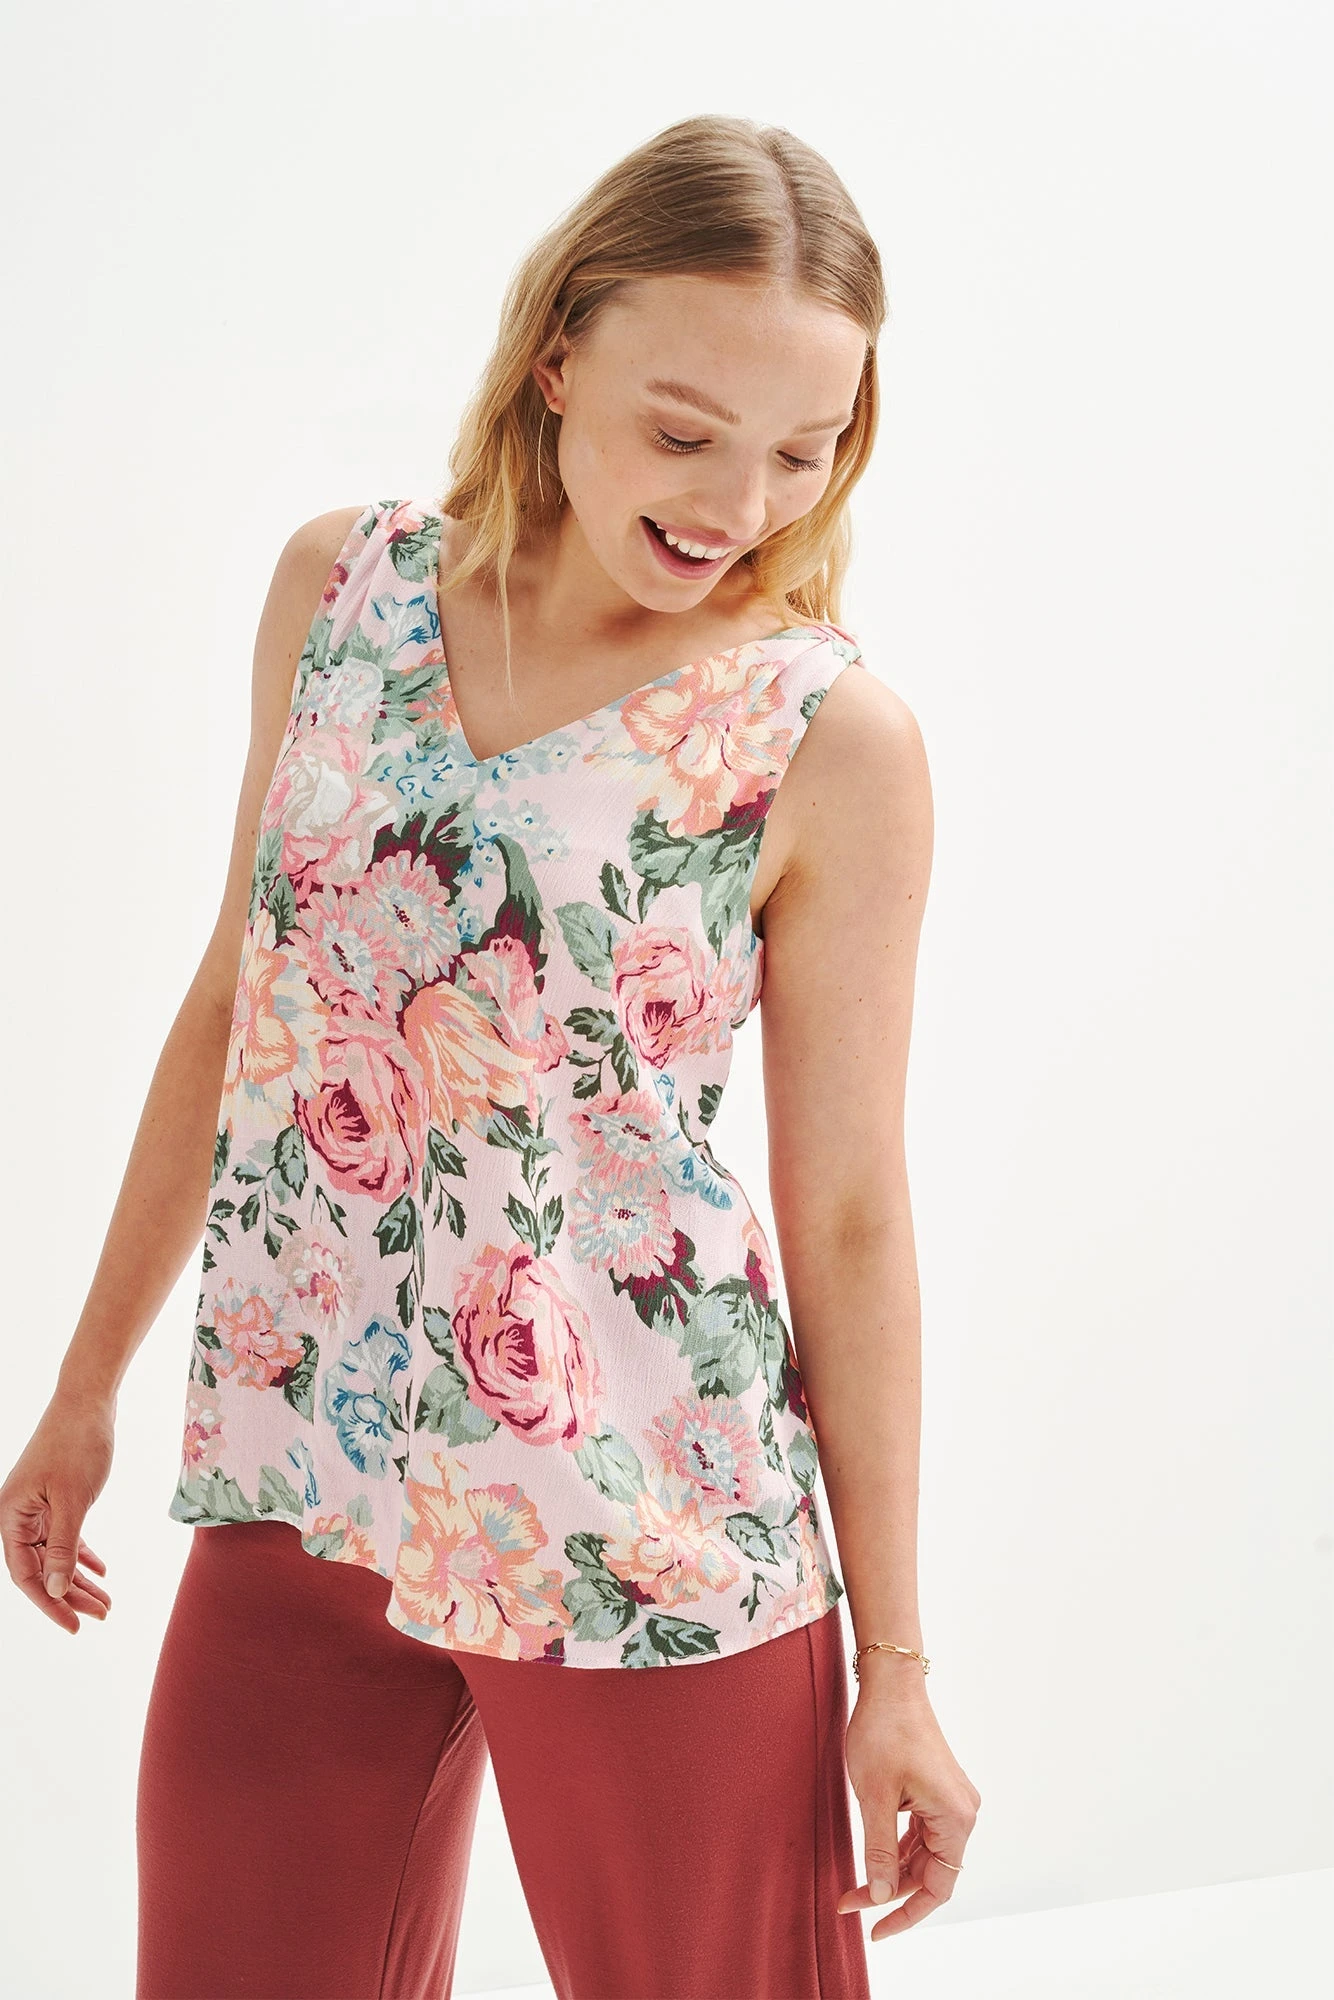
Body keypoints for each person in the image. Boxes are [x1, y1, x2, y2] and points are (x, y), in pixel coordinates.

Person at [0, 113, 980, 1999]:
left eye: (802, 449)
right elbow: (237, 1001)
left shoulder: (824, 738)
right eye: (682, 431)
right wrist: (83, 1383)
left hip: (646, 1524)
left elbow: (849, 1212)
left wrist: (900, 1666)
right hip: (310, 1468)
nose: (737, 501)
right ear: (555, 358)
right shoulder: (341, 592)